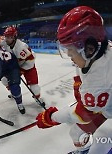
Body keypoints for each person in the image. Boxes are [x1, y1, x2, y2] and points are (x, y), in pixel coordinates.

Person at [36, 6, 112, 154]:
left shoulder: (100, 78)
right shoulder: (99, 52)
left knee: (102, 140)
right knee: (77, 132)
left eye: (71, 50)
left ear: (89, 48)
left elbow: (81, 115)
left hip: (107, 108)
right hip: (107, 106)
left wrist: (51, 117)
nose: (69, 55)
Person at [0, 26, 45, 107]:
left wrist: (21, 70)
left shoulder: (21, 47)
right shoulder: (3, 41)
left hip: (28, 66)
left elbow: (30, 60)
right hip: (15, 65)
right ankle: (13, 92)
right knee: (4, 79)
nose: (7, 39)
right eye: (6, 36)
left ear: (14, 37)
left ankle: (38, 98)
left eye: (10, 37)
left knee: (34, 87)